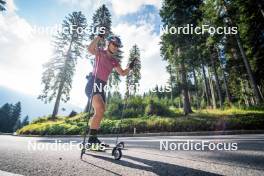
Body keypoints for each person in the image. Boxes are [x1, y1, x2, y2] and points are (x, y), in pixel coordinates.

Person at [85, 34, 135, 146]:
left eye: (118, 46)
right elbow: (89, 49)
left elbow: (122, 73)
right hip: (93, 82)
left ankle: (93, 139)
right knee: (100, 108)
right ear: (109, 43)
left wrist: (130, 67)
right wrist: (99, 37)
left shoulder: (114, 61)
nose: (116, 47)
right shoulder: (100, 52)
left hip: (101, 86)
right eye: (114, 44)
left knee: (101, 111)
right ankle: (91, 141)